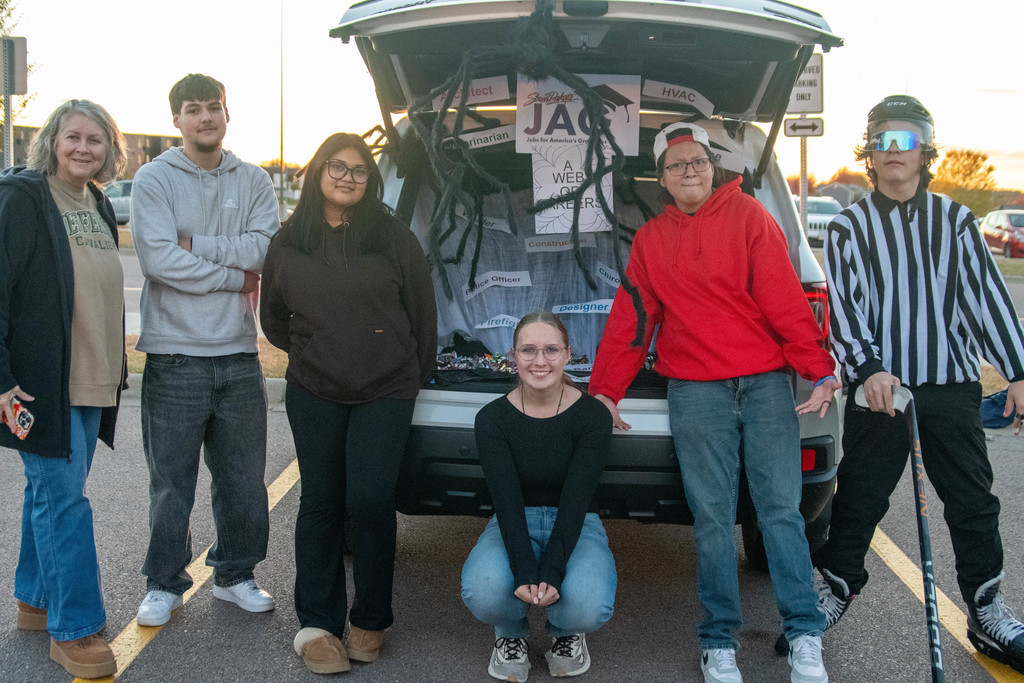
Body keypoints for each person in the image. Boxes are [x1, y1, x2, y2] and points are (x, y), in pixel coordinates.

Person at [588, 122, 839, 683]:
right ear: (662, 177)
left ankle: (804, 634)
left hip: (765, 384)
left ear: (713, 165)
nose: (690, 171)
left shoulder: (750, 216)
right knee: (712, 519)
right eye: (677, 165)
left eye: (698, 161)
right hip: (696, 391)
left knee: (780, 513)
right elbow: (633, 321)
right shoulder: (652, 239)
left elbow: (784, 300)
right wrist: (606, 390)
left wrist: (818, 368)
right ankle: (718, 641)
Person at [814, 94, 1024, 673]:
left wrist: (1019, 370)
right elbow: (847, 313)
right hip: (881, 389)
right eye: (881, 140)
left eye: (905, 141)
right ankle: (833, 590)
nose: (892, 152)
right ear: (869, 153)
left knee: (974, 502)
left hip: (949, 385)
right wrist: (868, 369)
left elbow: (986, 299)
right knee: (858, 498)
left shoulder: (955, 220)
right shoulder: (848, 227)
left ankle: (988, 611)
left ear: (926, 151)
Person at [260, 132, 437, 674]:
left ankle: (370, 619)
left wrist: (408, 369)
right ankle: (316, 624)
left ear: (371, 180)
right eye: (337, 167)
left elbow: (422, 313)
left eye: (360, 171)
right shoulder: (289, 242)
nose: (347, 177)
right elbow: (274, 320)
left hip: (386, 390)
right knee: (320, 503)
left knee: (370, 500)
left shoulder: (392, 239)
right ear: (317, 172)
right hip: (315, 391)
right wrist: (318, 352)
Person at [131, 74, 279, 626]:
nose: (204, 118)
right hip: (173, 355)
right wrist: (231, 275)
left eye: (213, 107)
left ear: (226, 113)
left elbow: (264, 250)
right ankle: (164, 583)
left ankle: (236, 575)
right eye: (192, 110)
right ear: (177, 120)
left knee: (243, 478)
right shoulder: (153, 178)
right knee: (172, 483)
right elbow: (157, 259)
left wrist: (201, 246)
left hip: (240, 355)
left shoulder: (256, 180)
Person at [0, 99, 127, 678]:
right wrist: (2, 382)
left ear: (108, 149)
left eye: (94, 139)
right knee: (65, 500)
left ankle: (35, 598)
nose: (83, 148)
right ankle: (74, 628)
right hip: (40, 386)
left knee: (50, 493)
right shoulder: (24, 199)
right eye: (72, 137)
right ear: (51, 141)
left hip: (90, 378)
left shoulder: (98, 202)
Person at [461, 311, 616, 682]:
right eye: (528, 350)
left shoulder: (593, 416)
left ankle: (566, 633)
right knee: (483, 590)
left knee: (588, 602)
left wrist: (552, 572)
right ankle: (509, 634)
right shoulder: (493, 419)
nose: (540, 361)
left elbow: (577, 499)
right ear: (513, 355)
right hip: (516, 519)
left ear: (568, 354)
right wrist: (525, 570)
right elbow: (506, 502)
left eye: (551, 349)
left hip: (577, 520)